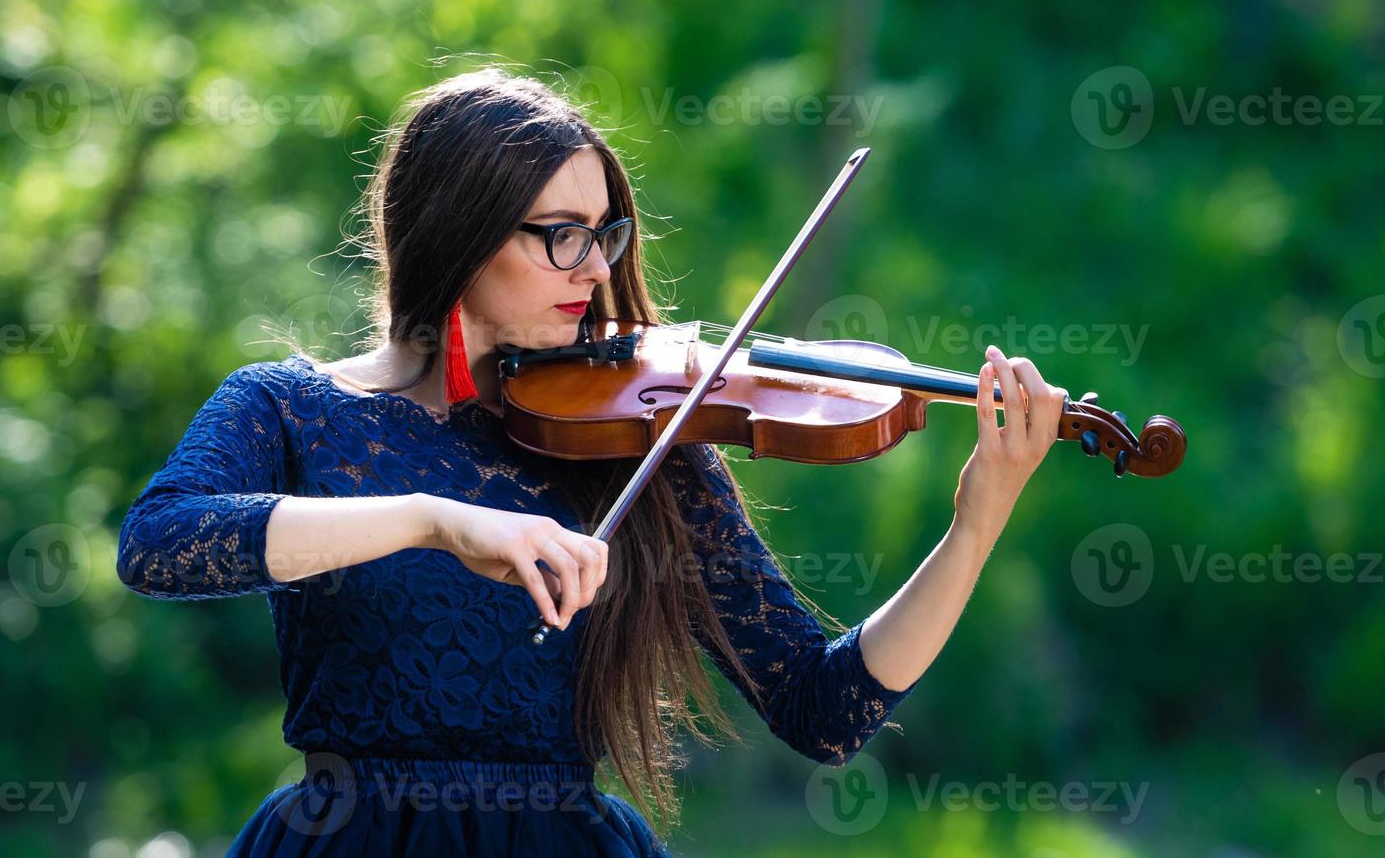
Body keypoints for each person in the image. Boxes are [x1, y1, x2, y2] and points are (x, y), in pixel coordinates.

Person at [116, 67, 1067, 856]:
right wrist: (433, 520)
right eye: (559, 235)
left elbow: (824, 711)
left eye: (604, 233)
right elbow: (159, 547)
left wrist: (974, 525)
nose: (597, 269)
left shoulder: (640, 440)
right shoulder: (289, 408)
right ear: (456, 230)